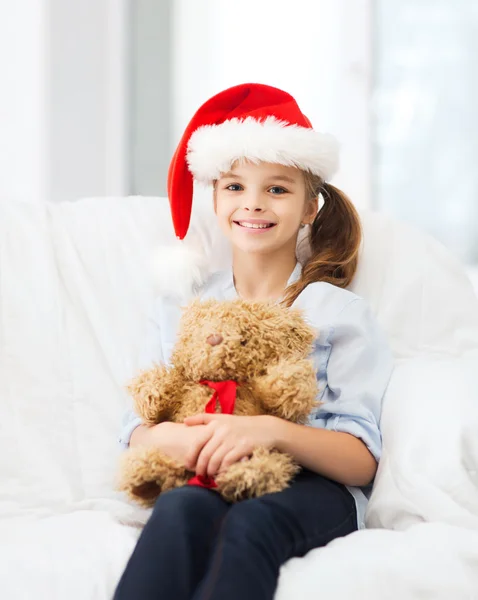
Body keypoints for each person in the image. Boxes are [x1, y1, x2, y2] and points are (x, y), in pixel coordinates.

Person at [113, 83, 393, 600]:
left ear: (310, 207)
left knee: (251, 525)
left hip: (313, 487)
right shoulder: (184, 307)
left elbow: (361, 460)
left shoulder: (337, 313)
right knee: (178, 509)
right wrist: (183, 440)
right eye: (236, 187)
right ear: (216, 198)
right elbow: (138, 429)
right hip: (208, 475)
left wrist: (268, 430)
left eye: (278, 189)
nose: (254, 204)